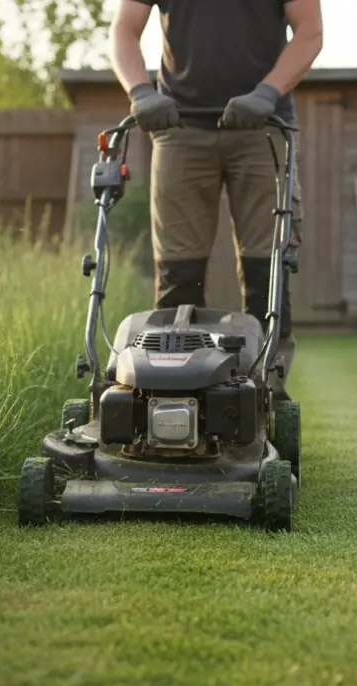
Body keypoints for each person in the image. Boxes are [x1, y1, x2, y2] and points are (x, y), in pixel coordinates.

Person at [109, 0, 323, 400]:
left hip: (263, 125)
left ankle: (266, 394)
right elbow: (124, 28)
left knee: (268, 269)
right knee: (178, 271)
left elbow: (310, 32)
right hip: (180, 128)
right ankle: (172, 394)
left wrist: (267, 92)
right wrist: (140, 91)